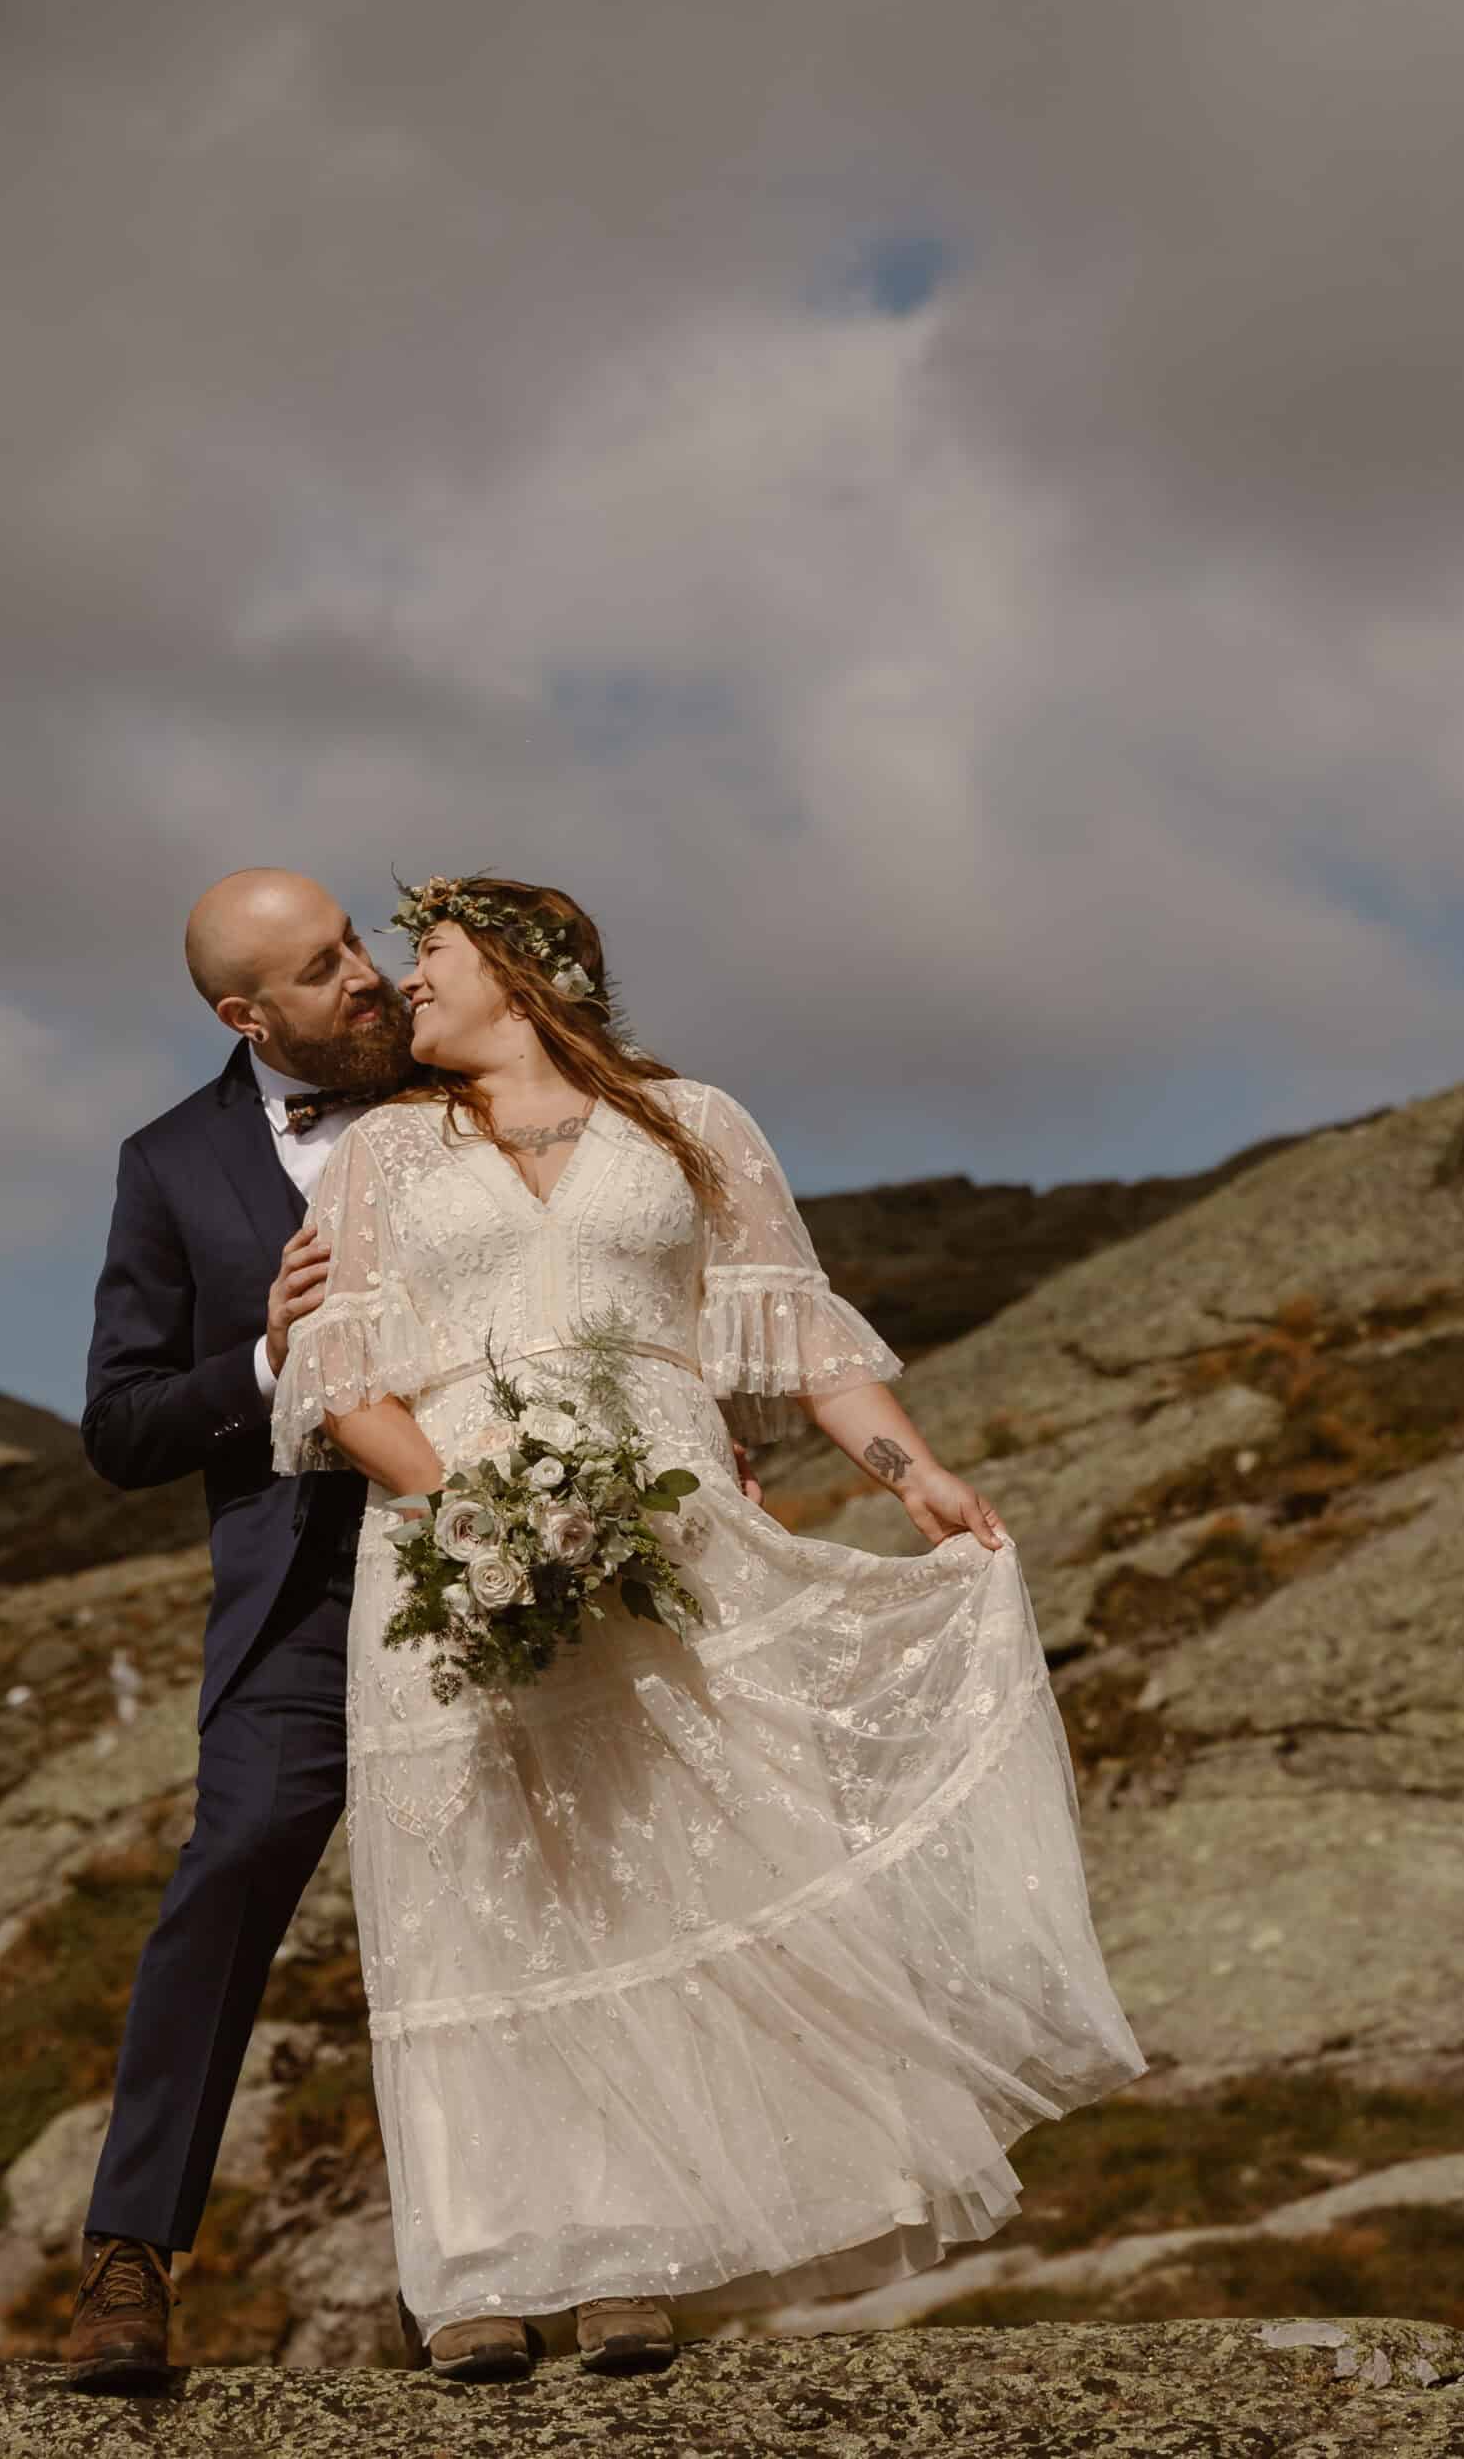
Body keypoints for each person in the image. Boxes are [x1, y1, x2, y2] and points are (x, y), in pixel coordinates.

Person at [271, 873, 1144, 2381]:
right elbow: (347, 1378)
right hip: (454, 1550)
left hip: (666, 1540)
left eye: (435, 956)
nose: (408, 986)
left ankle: (630, 2259)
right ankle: (479, 2263)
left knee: (651, 1872)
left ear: (531, 972)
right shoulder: (384, 1155)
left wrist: (914, 1469)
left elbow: (798, 1332)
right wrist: (474, 1512)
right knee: (475, 1881)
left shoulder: (694, 1127)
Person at [61, 868, 411, 2390]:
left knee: (503, 1880)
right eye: (324, 967)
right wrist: (258, 1351)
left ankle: (493, 2256)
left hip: (490, 1553)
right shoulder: (168, 1163)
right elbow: (123, 1424)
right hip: (300, 1594)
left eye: (359, 943)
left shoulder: (460, 1081)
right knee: (230, 1866)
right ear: (242, 1014)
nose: (369, 976)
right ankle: (130, 2256)